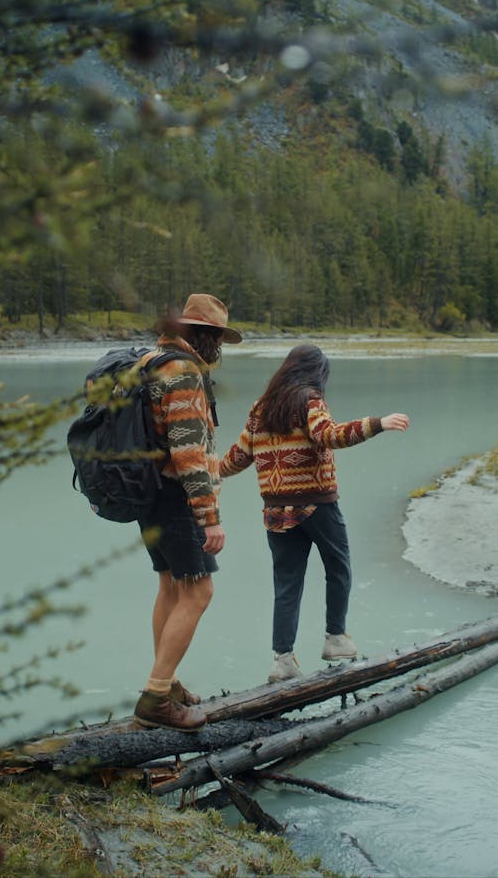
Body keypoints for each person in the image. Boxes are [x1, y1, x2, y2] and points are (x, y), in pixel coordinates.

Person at [219, 344, 409, 683]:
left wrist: (208, 471)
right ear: (315, 372)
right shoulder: (309, 400)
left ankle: (282, 660)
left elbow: (239, 455)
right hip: (316, 504)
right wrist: (378, 423)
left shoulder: (260, 408)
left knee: (287, 584)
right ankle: (335, 638)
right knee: (339, 567)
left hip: (276, 509)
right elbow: (329, 436)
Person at [133, 294, 242, 729]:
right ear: (205, 334)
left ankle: (168, 681)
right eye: (217, 336)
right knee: (198, 593)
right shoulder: (182, 371)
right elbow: (188, 451)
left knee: (171, 587)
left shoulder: (151, 360)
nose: (218, 346)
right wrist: (209, 517)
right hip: (176, 495)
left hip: (148, 491)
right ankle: (157, 696)